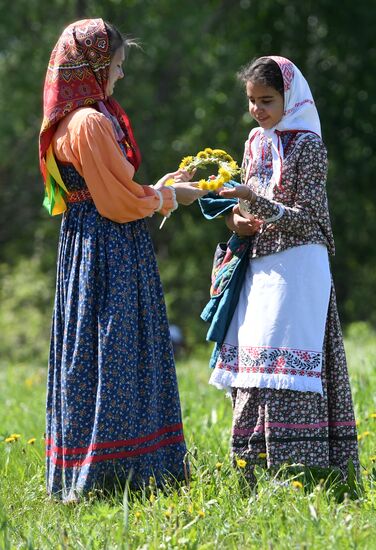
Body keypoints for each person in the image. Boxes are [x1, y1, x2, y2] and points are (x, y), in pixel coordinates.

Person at [39, 18, 205, 502]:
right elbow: (113, 203)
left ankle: (114, 469)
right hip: (107, 245)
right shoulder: (88, 121)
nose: (120, 75)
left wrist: (162, 187)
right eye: (116, 65)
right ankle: (115, 474)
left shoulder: (91, 115)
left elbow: (116, 188)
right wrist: (168, 198)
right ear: (91, 65)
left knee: (102, 348)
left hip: (94, 244)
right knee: (113, 347)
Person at [207, 56, 359, 481]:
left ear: (290, 97)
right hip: (259, 264)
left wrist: (254, 202)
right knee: (254, 365)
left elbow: (311, 218)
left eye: (267, 100)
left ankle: (303, 470)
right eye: (252, 101)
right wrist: (235, 217)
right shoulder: (254, 141)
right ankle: (251, 470)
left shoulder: (309, 145)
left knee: (291, 366)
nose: (258, 110)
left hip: (298, 267)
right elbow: (245, 203)